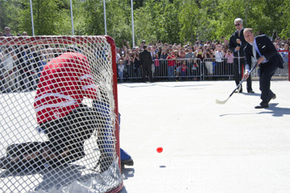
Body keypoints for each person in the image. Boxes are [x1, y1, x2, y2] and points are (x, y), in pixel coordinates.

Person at [0, 48, 111, 172]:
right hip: (62, 108)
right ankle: (108, 152)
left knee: (71, 149)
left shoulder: (52, 62)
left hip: (43, 111)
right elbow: (89, 90)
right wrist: (107, 93)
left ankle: (18, 151)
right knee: (96, 120)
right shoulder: (80, 58)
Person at [243, 28, 284, 108]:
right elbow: (247, 62)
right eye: (245, 36)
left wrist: (264, 57)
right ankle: (270, 94)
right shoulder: (247, 48)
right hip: (262, 64)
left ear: (253, 34)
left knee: (265, 76)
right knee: (262, 86)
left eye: (249, 35)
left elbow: (273, 51)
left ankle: (264, 102)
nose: (248, 37)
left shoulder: (263, 38)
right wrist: (246, 71)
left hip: (273, 61)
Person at [229, 18, 254, 93]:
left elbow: (250, 42)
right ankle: (238, 87)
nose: (237, 26)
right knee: (236, 73)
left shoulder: (246, 33)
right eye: (236, 25)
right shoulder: (233, 35)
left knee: (247, 72)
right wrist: (235, 49)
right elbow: (230, 46)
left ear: (242, 24)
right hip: (237, 57)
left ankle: (249, 88)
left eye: (238, 24)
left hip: (245, 56)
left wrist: (241, 43)